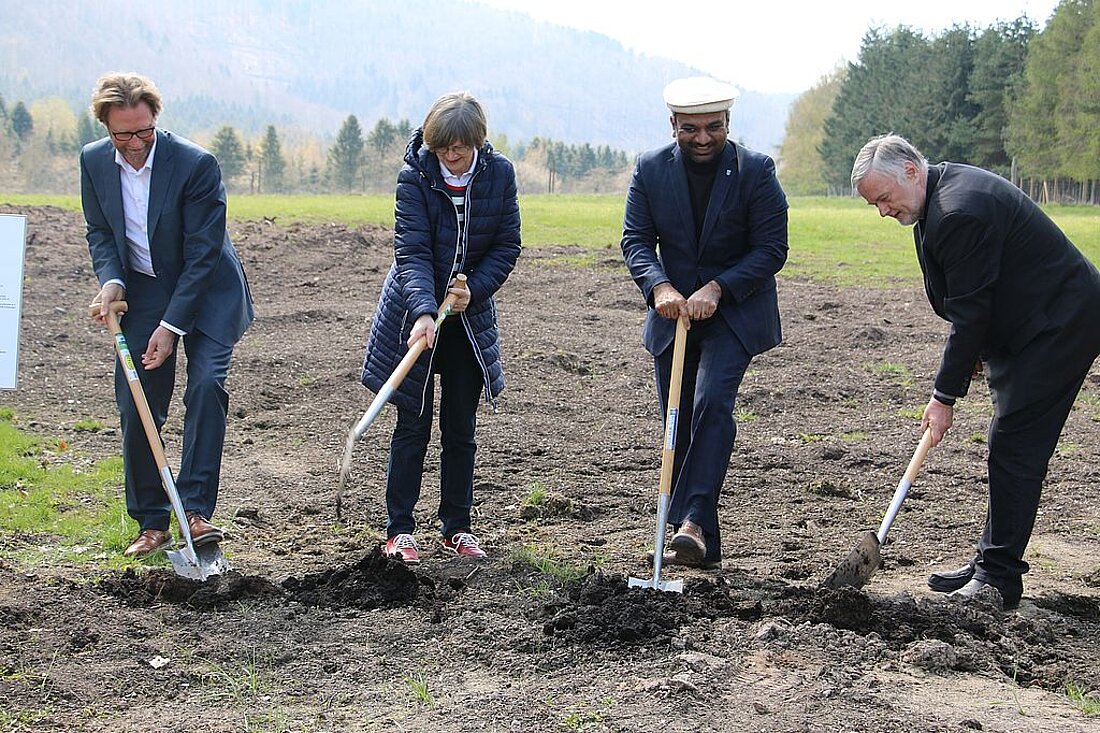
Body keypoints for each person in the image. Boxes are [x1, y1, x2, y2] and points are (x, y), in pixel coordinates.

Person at [852, 133, 1100, 608]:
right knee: (1007, 442)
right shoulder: (934, 201)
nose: (882, 211)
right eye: (874, 204)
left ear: (909, 170)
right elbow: (974, 298)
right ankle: (991, 560)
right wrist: (972, 360)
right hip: (1025, 327)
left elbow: (970, 313)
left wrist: (943, 397)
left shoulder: (959, 209)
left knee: (1015, 444)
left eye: (882, 198)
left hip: (1058, 324)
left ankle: (997, 577)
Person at [82, 72, 254, 558]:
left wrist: (170, 328)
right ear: (106, 128)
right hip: (145, 289)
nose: (135, 144)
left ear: (156, 119)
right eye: (123, 135)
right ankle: (153, 521)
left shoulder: (196, 164)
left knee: (204, 387)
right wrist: (112, 281)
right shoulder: (93, 162)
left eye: (144, 132)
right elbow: (100, 232)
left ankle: (194, 512)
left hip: (209, 291)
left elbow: (202, 255)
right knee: (137, 401)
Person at [620, 77, 789, 569]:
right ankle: (700, 544)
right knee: (679, 420)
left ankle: (689, 519)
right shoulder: (651, 169)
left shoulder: (756, 171)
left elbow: (771, 249)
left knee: (711, 402)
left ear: (727, 124)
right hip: (672, 314)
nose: (702, 138)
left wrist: (718, 288)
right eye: (690, 128)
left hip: (734, 311)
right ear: (673, 124)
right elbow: (635, 239)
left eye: (713, 127)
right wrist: (659, 288)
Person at [360, 91, 521, 565]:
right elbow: (409, 252)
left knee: (460, 428)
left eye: (460, 148)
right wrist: (425, 312)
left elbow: (507, 244)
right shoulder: (414, 176)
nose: (451, 156)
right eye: (442, 148)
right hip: (415, 314)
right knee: (412, 421)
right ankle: (400, 530)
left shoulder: (500, 175)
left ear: (477, 142)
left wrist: (477, 289)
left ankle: (457, 528)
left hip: (468, 320)